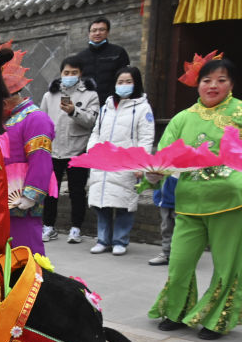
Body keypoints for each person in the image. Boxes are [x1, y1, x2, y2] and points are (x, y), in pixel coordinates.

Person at [148, 55, 242, 340]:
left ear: (231, 84)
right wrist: (153, 174)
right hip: (188, 201)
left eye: (221, 80)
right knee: (179, 263)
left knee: (227, 266)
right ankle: (176, 311)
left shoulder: (240, 113)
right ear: (197, 84)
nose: (213, 86)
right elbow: (164, 155)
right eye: (207, 80)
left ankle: (217, 319)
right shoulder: (183, 118)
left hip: (230, 202)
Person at [85, 66, 154, 256]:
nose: (123, 86)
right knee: (101, 202)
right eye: (120, 82)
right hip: (103, 161)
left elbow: (146, 138)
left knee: (124, 203)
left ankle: (120, 241)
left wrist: (141, 163)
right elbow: (96, 132)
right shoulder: (106, 107)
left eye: (128, 82)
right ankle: (103, 240)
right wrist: (92, 152)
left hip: (126, 163)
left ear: (136, 84)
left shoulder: (142, 108)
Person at [39, 56, 100, 244]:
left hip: (77, 150)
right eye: (66, 73)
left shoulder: (91, 95)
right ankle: (48, 226)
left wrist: (74, 111)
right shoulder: (50, 95)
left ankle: (76, 228)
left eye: (74, 73)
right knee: (50, 192)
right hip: (54, 150)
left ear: (80, 74)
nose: (70, 76)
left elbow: (92, 121)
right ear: (61, 74)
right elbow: (42, 120)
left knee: (77, 191)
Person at [3, 82, 55, 256]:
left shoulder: (35, 117)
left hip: (21, 199)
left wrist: (30, 195)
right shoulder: (3, 119)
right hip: (0, 197)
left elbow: (41, 158)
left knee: (26, 251)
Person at [73, 17, 131, 106]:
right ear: (89, 33)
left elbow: (126, 77)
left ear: (107, 32)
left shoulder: (118, 52)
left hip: (112, 103)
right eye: (94, 30)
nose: (97, 33)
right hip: (88, 104)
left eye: (101, 30)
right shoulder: (80, 57)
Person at [148, 176, 177, 265]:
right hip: (164, 199)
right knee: (166, 228)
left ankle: (182, 255)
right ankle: (166, 253)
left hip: (180, 200)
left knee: (180, 231)